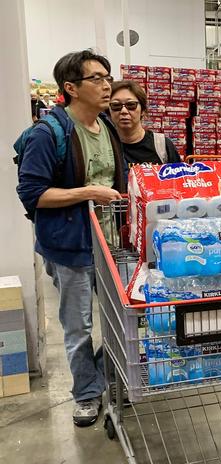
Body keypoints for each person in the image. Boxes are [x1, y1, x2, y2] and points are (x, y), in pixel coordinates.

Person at [16, 50, 126, 427]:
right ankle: (86, 394)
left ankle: (101, 377)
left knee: (120, 320)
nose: (106, 84)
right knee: (78, 326)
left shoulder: (107, 127)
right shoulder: (51, 133)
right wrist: (87, 192)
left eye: (107, 76)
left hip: (110, 244)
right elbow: (33, 193)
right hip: (70, 246)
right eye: (96, 78)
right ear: (71, 88)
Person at [110, 80, 181, 166]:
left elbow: (178, 178)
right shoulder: (105, 146)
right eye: (116, 105)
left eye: (131, 105)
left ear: (143, 110)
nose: (123, 111)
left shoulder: (163, 146)